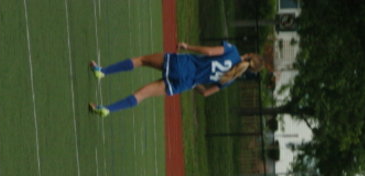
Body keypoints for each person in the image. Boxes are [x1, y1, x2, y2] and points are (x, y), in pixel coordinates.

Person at [88, 41, 264, 117]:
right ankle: (107, 109)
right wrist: (194, 82)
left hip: (183, 64)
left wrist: (188, 46)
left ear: (248, 54)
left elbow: (210, 52)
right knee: (142, 95)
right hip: (185, 83)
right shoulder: (230, 79)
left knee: (142, 60)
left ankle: (103, 71)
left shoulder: (233, 51)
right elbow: (205, 93)